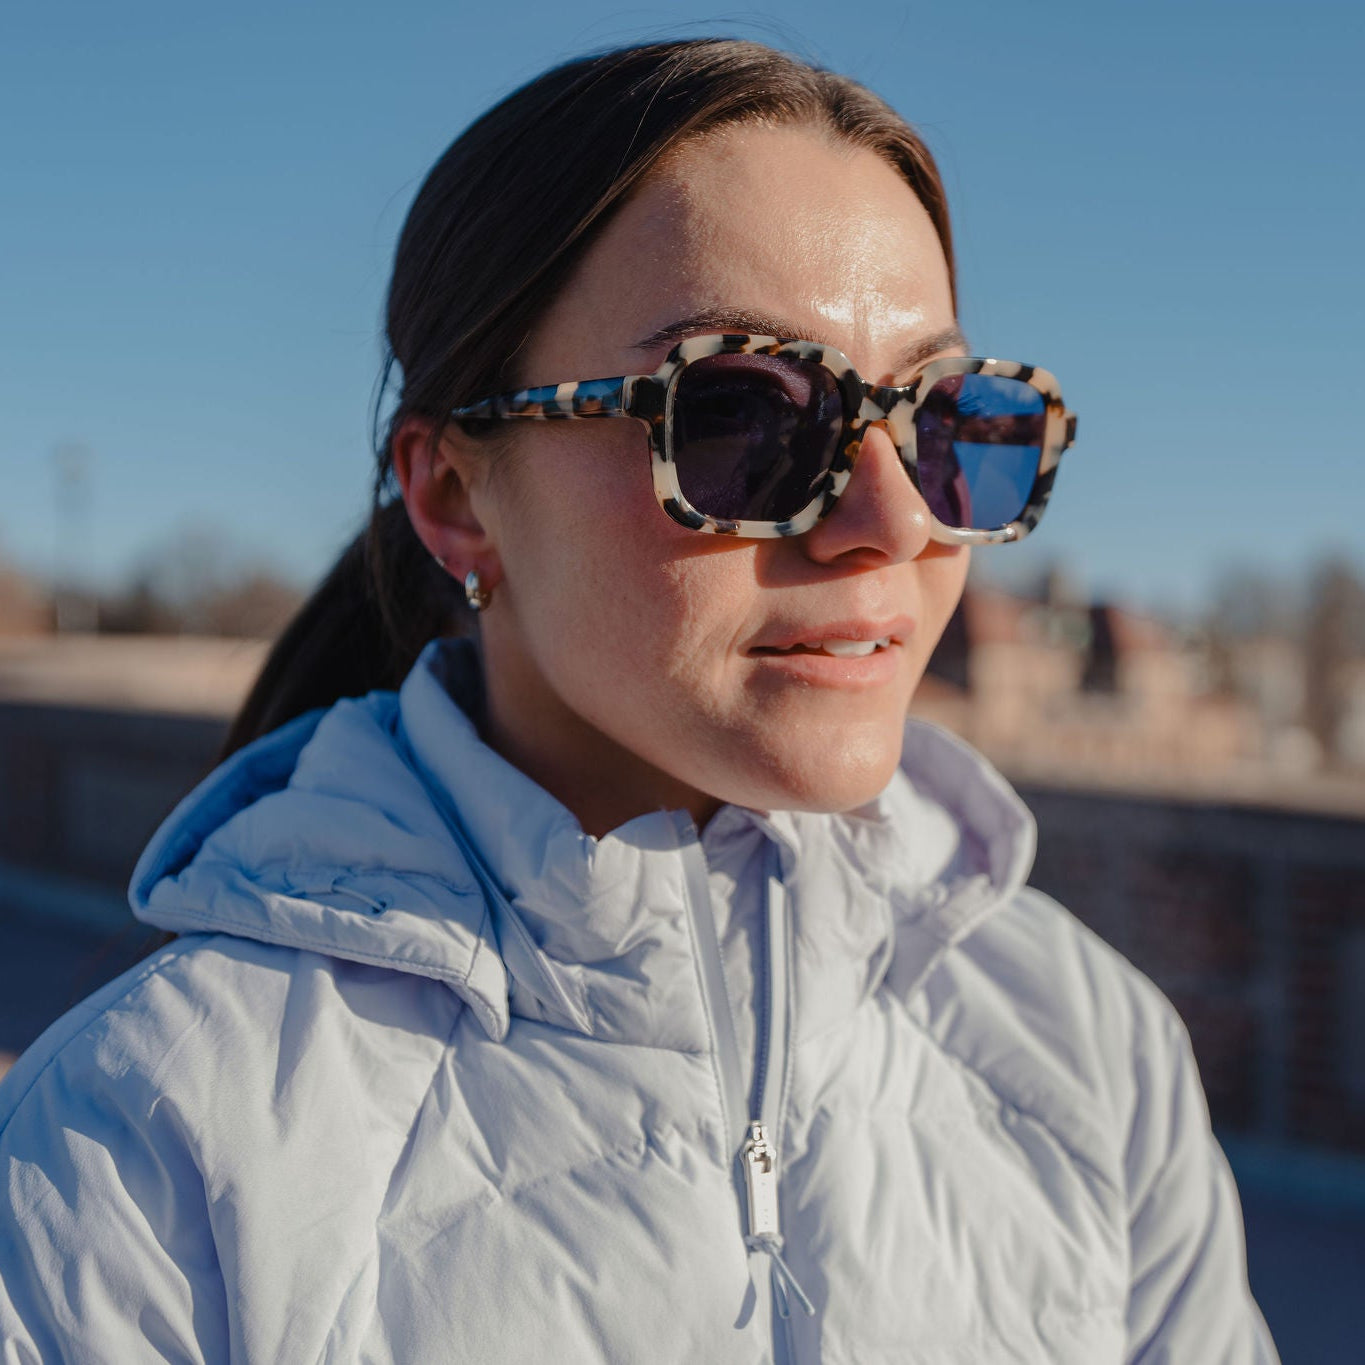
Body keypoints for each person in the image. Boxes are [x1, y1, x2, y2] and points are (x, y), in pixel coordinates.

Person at [0, 38, 1277, 1363]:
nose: (892, 521)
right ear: (453, 496)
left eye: (947, 418)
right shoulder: (147, 1145)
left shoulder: (1087, 1046)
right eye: (739, 416)